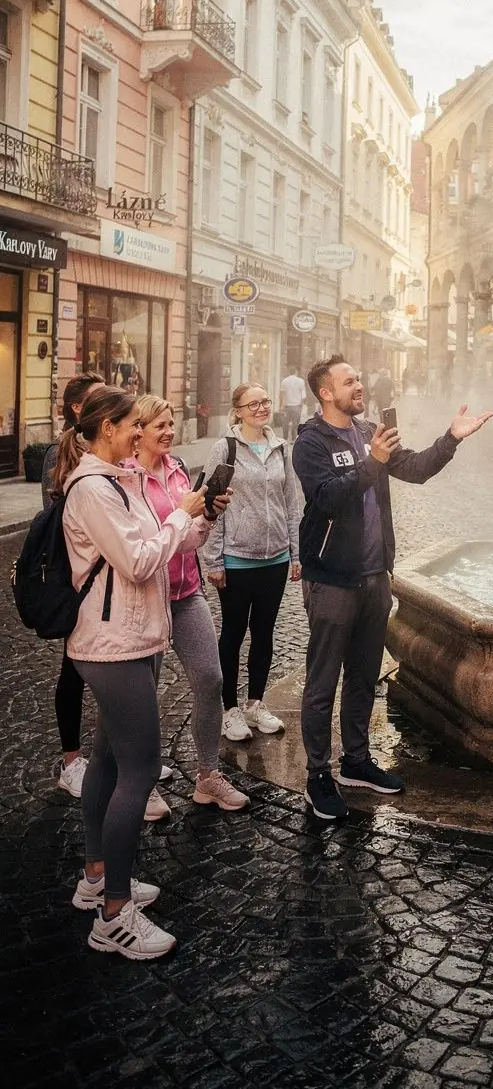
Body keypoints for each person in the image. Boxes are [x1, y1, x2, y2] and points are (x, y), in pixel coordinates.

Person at [292, 356, 493, 821]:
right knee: (322, 682)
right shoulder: (310, 443)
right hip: (332, 579)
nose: (359, 384)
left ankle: (356, 762)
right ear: (326, 393)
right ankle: (318, 775)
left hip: (374, 577)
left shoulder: (368, 433)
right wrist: (371, 463)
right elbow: (326, 496)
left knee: (364, 674)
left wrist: (451, 439)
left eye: (358, 378)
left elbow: (416, 469)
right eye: (349, 381)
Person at [57, 387, 211, 960]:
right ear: (107, 429)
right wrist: (178, 517)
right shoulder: (93, 489)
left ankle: (96, 875)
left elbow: (168, 544)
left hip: (135, 635)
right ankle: (114, 915)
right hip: (111, 643)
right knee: (140, 768)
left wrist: (200, 517)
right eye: (128, 426)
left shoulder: (120, 480)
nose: (135, 434)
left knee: (107, 759)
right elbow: (140, 558)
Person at [128, 396, 249, 812]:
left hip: (186, 592)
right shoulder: (125, 478)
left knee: (211, 680)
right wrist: (182, 515)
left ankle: (207, 776)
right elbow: (143, 546)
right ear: (137, 430)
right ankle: (141, 783)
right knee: (143, 696)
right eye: (159, 425)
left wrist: (209, 516)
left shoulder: (177, 469)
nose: (168, 431)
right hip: (146, 599)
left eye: (171, 423)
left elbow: (191, 538)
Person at [203, 382, 301, 743]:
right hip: (237, 558)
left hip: (274, 558)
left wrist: (295, 551)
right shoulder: (225, 448)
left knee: (264, 633)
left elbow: (290, 502)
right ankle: (229, 709)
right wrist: (213, 560)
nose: (261, 408)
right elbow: (211, 504)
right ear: (238, 411)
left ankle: (255, 703)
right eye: (253, 404)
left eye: (265, 402)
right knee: (232, 633)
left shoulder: (280, 448)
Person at [41, 371, 104, 799]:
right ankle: (71, 760)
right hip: (76, 579)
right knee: (74, 668)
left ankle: (116, 753)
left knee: (109, 669)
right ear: (80, 409)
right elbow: (63, 519)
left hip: (109, 577)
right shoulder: (59, 454)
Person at [279, 365, 307, 443]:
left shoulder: (284, 381)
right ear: (296, 372)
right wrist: (301, 404)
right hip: (297, 405)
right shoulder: (301, 381)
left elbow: (282, 394)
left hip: (287, 405)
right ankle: (293, 439)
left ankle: (284, 439)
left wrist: (282, 405)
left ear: (289, 372)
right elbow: (303, 394)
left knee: (285, 424)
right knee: (295, 424)